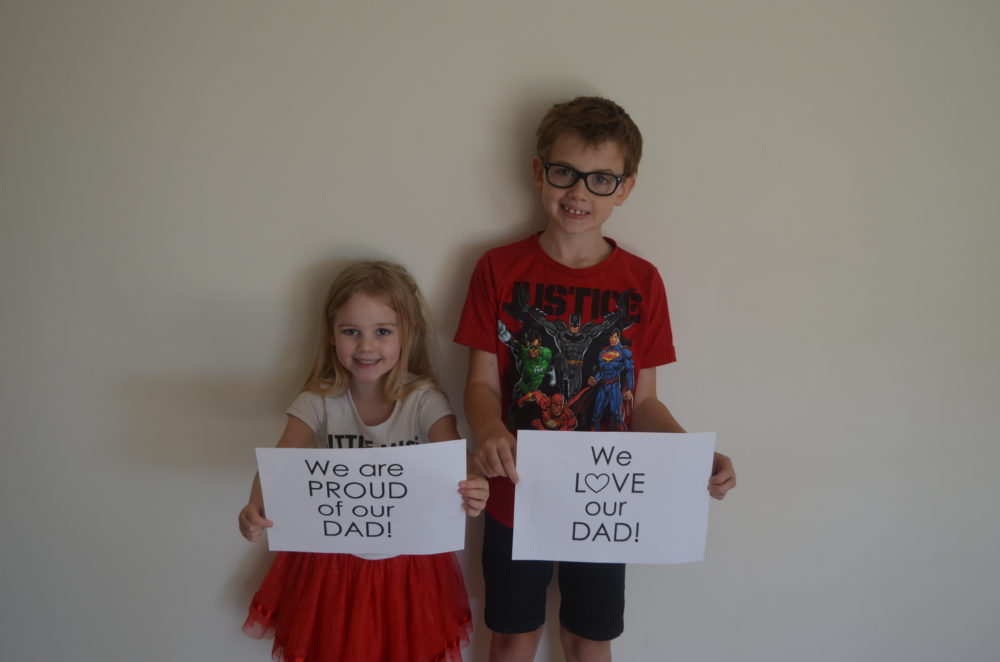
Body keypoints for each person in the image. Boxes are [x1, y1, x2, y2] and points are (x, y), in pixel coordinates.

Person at [454, 96, 737, 662]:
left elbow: (644, 403)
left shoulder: (642, 281)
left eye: (601, 179)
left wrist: (689, 457)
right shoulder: (497, 268)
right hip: (515, 492)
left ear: (625, 188)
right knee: (512, 636)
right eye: (565, 172)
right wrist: (488, 431)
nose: (579, 193)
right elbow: (481, 385)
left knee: (589, 638)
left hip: (604, 497)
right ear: (540, 171)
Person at [239, 261, 489, 662]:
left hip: (410, 567)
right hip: (330, 565)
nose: (366, 347)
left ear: (407, 334)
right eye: (351, 331)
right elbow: (279, 465)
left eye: (383, 332)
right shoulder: (318, 400)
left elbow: (459, 459)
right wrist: (256, 506)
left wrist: (475, 485)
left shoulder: (423, 400)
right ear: (331, 334)